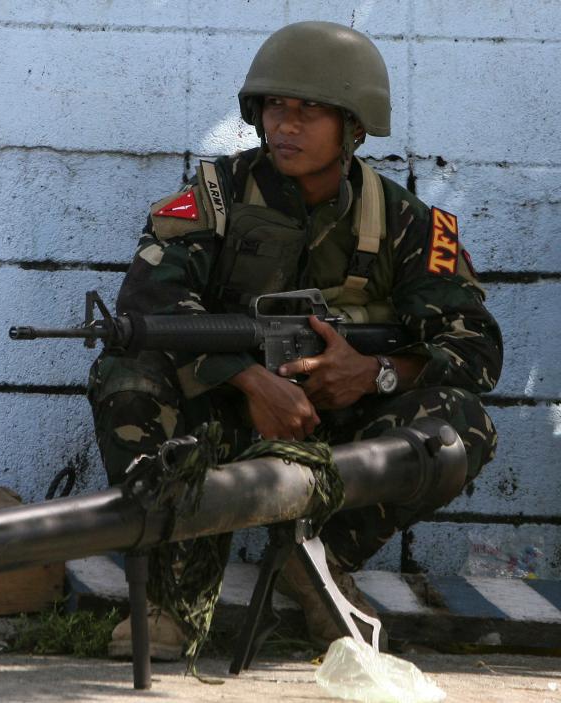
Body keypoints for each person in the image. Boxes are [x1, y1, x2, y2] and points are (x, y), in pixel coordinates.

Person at [87, 20, 502, 658]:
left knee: (459, 426)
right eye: (276, 107)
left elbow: (475, 349)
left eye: (310, 111)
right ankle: (174, 587)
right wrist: (246, 380)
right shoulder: (215, 199)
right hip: (225, 416)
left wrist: (375, 374)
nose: (286, 124)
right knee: (129, 373)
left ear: (354, 126)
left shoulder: (408, 224)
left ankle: (320, 562)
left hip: (341, 427)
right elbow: (149, 301)